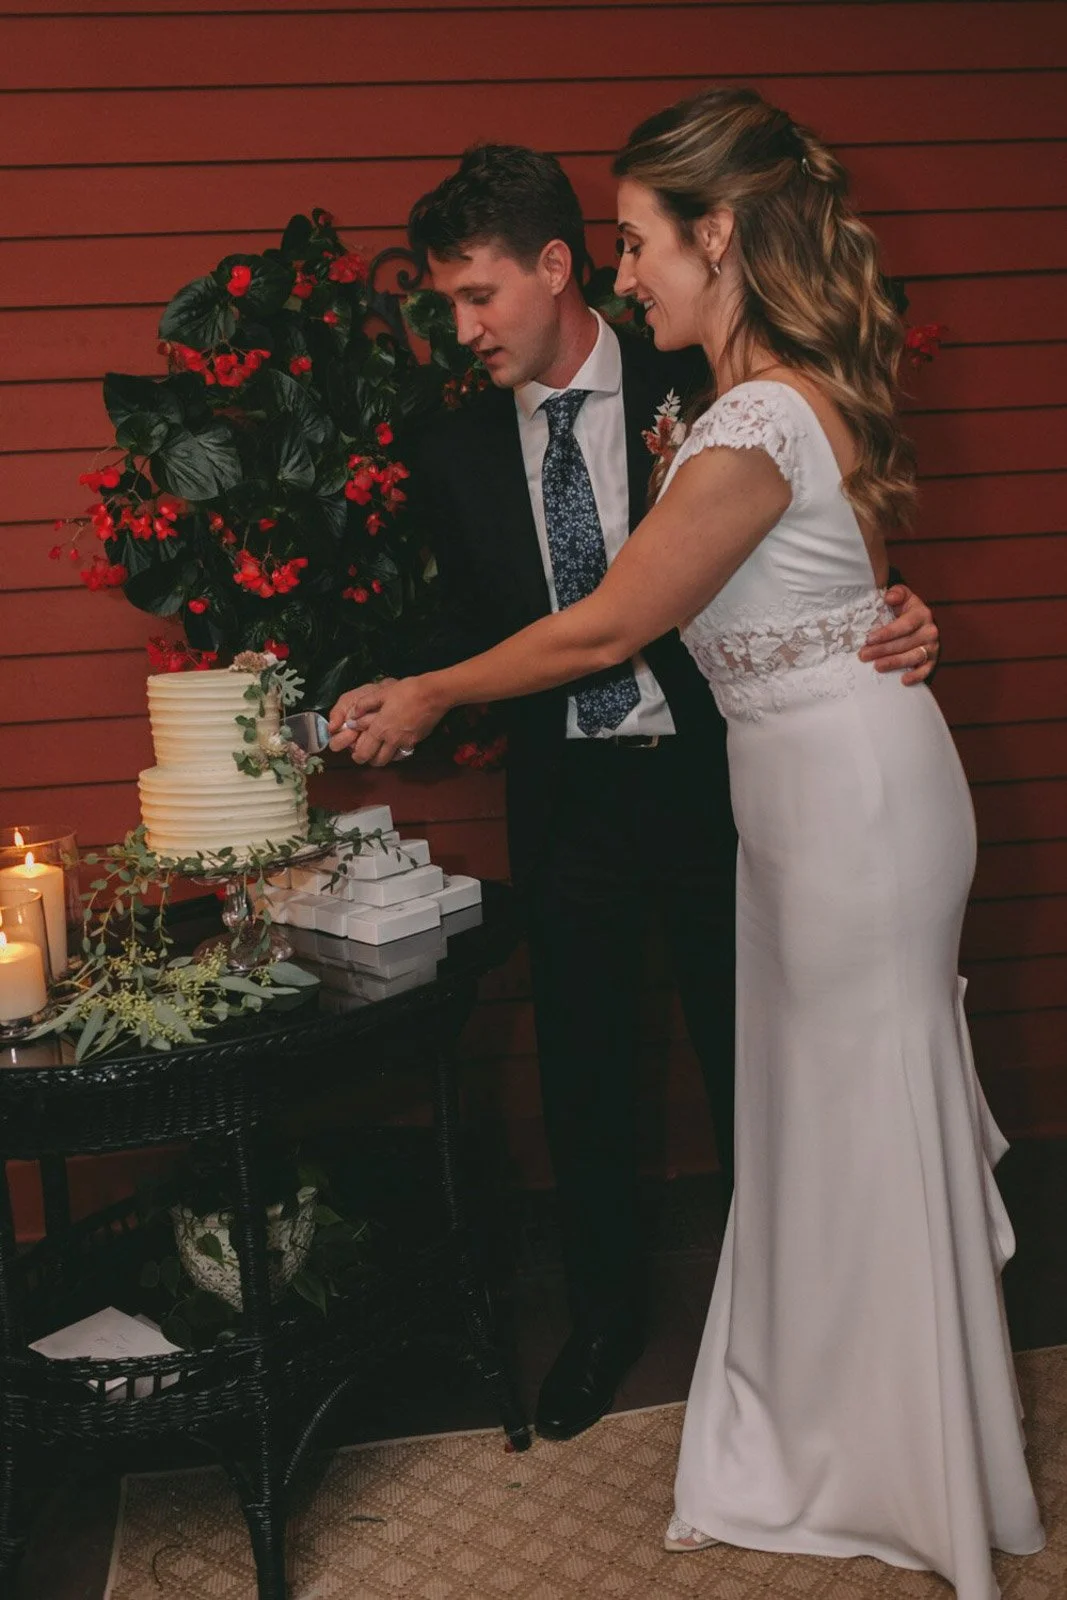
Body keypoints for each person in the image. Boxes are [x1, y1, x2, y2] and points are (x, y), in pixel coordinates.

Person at [328, 141, 940, 1448]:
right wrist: (391, 690)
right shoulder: (448, 450)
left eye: (477, 294)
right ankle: (603, 1321)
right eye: (444, 302)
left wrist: (895, 610)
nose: (462, 327)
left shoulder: (703, 373)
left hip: (739, 787)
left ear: (557, 269)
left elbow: (820, 534)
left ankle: (782, 1324)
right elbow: (472, 628)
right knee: (587, 1078)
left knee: (757, 1071)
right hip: (571, 807)